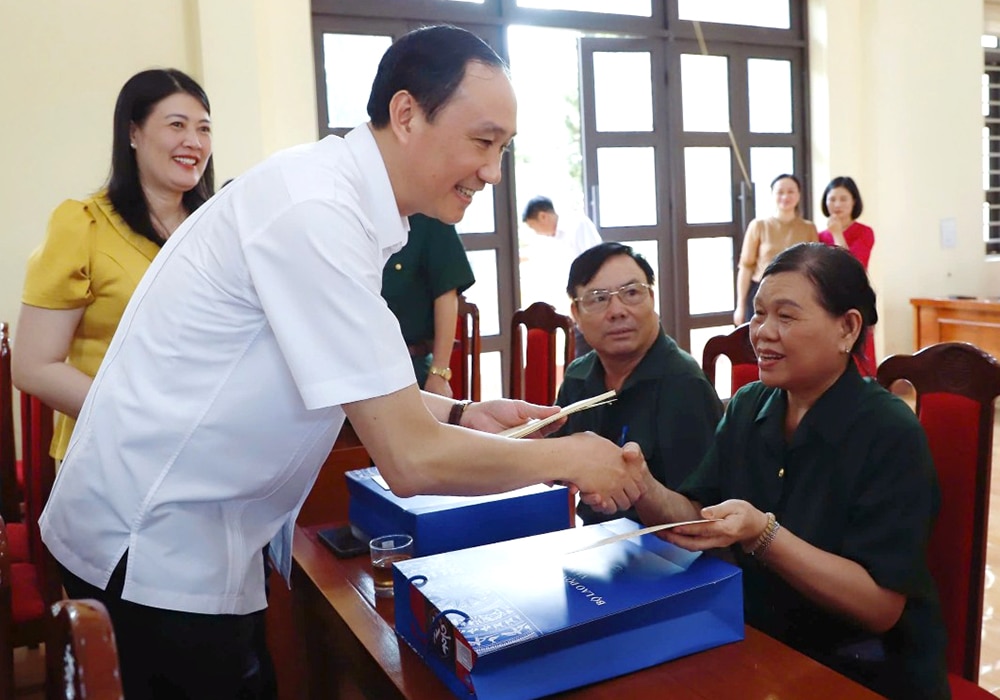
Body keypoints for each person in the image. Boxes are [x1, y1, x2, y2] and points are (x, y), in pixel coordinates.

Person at [39, 26, 647, 699]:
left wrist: (464, 411)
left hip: (195, 535)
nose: (494, 172)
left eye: (504, 148)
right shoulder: (317, 210)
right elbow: (411, 461)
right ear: (408, 114)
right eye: (483, 141)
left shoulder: (345, 204)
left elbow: (353, 378)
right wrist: (571, 461)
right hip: (154, 548)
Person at [608, 243, 947, 699]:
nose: (762, 332)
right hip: (761, 643)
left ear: (847, 327)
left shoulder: (888, 431)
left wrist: (763, 534)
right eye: (759, 313)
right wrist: (640, 484)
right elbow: (697, 511)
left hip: (862, 668)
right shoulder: (750, 405)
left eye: (785, 317)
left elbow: (880, 607)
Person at [11, 68, 215, 461]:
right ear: (133, 133)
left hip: (205, 449)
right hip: (111, 452)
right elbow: (33, 366)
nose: (193, 141)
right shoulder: (82, 225)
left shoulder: (218, 227)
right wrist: (146, 423)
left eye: (204, 129)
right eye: (177, 125)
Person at [552, 242, 722, 525]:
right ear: (576, 314)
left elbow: (704, 516)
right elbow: (555, 471)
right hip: (595, 543)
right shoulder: (578, 376)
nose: (617, 311)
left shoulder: (683, 384)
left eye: (631, 293)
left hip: (668, 553)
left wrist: (639, 487)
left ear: (652, 299)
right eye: (598, 298)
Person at [382, 213, 475, 395]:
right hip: (349, 371)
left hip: (409, 369)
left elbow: (446, 293)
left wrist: (439, 374)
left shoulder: (427, 216)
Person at [522, 195, 602, 356]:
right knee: (577, 357)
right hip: (572, 309)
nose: (536, 232)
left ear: (542, 216)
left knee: (585, 356)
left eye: (533, 226)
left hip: (588, 305)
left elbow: (596, 263)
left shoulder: (578, 225)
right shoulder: (552, 238)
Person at [733, 174, 817, 325]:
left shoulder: (808, 228)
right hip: (762, 293)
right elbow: (746, 267)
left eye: (791, 191)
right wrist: (740, 306)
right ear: (772, 195)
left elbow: (814, 267)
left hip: (798, 295)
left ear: (798, 195)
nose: (785, 196)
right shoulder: (759, 225)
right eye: (780, 192)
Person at [819, 175, 876, 375]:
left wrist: (836, 234)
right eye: (832, 199)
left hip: (856, 299)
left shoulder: (864, 232)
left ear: (854, 202)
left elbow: (853, 265)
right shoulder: (819, 236)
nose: (837, 204)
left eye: (843, 199)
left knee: (860, 357)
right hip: (828, 301)